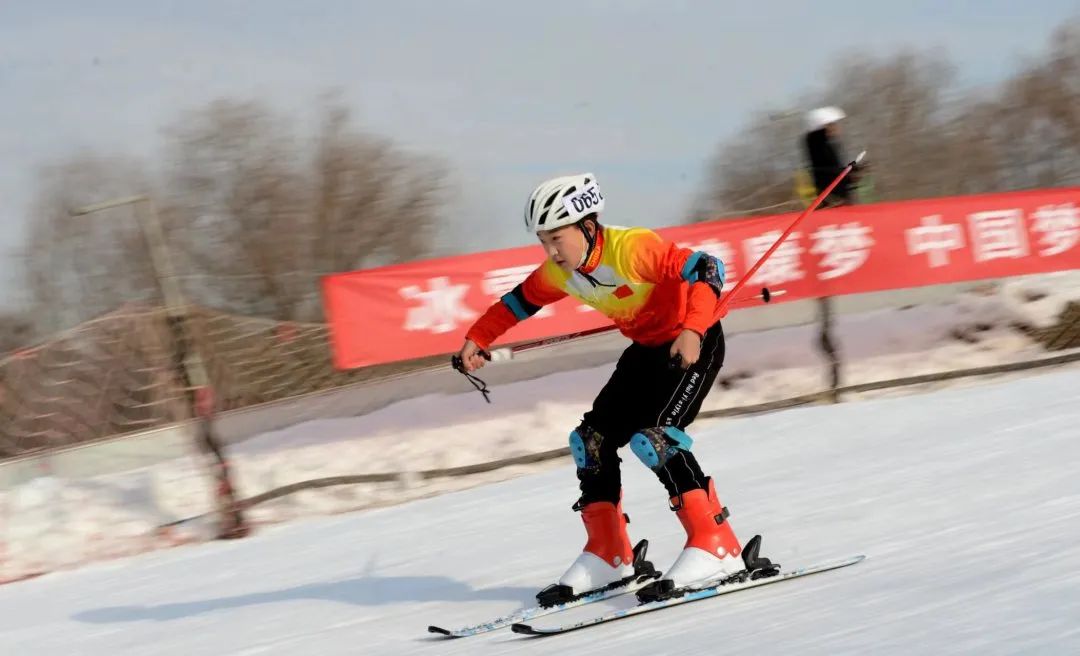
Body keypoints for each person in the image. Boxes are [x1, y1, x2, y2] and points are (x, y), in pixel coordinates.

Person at [454, 173, 774, 605]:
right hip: (645, 352)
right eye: (543, 240)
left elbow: (707, 268)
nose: (550, 250)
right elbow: (517, 302)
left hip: (691, 344)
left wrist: (693, 330)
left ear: (587, 227)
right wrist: (479, 337)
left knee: (655, 439)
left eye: (557, 238)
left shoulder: (633, 249)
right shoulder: (559, 271)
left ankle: (717, 544)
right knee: (591, 441)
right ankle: (611, 555)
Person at [803, 106, 861, 207]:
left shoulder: (829, 143)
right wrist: (846, 172)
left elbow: (833, 168)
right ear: (823, 127)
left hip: (839, 194)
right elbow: (826, 171)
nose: (836, 127)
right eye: (831, 124)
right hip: (833, 197)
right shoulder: (818, 144)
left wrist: (849, 170)